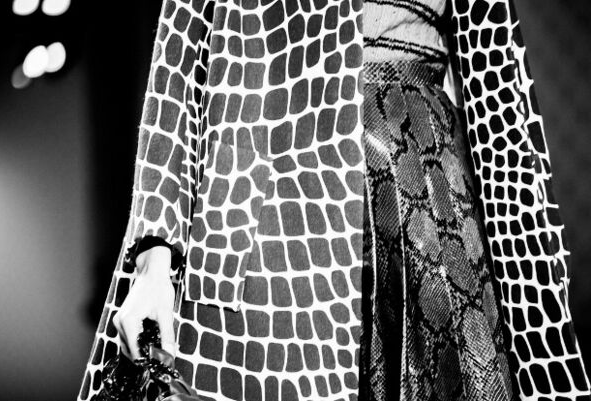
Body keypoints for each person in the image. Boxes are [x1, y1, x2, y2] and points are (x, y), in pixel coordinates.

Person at [78, 1, 591, 400]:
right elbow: (181, 62)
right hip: (275, 214)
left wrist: (534, 289)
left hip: (425, 189)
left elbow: (500, 95)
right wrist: (153, 260)